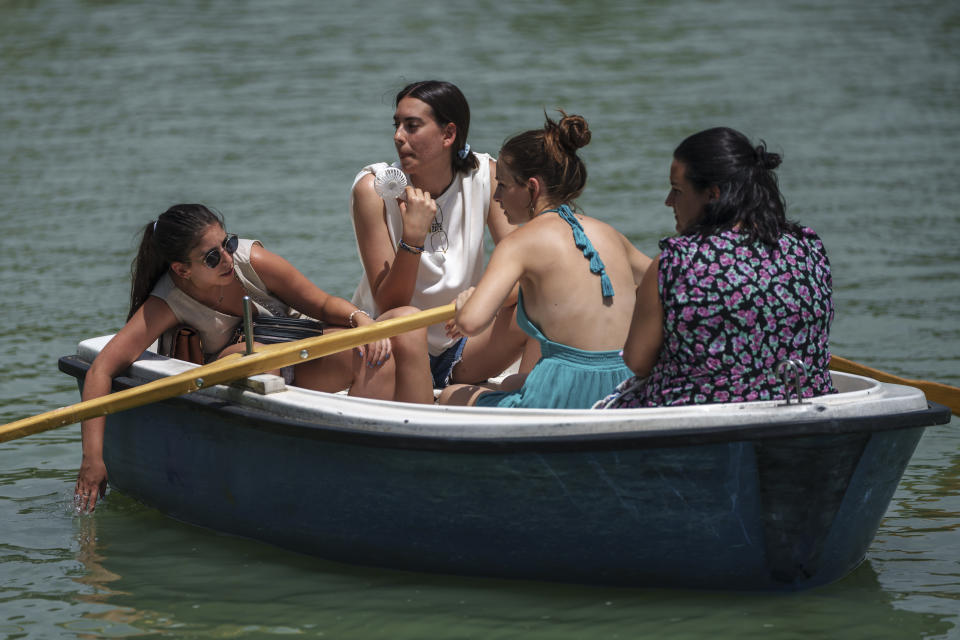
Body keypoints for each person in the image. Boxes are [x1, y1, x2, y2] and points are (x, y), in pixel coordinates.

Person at [74, 204, 432, 512]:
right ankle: (358, 477)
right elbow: (102, 369)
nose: (227, 258)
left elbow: (321, 303)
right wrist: (93, 459)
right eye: (212, 257)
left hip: (305, 352)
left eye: (226, 243)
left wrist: (361, 320)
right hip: (247, 380)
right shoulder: (167, 302)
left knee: (395, 331)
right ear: (182, 270)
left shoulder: (252, 260)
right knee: (262, 354)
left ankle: (413, 461)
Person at [598, 127, 837, 408]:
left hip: (691, 413)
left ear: (712, 194)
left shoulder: (675, 261)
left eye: (677, 190)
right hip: (802, 403)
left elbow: (637, 362)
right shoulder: (807, 246)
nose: (668, 202)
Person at [438, 112, 652, 408]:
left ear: (532, 188)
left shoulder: (519, 243)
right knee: (514, 381)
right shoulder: (609, 234)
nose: (497, 197)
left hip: (569, 392)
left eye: (503, 185)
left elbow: (472, 323)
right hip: (625, 381)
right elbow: (664, 277)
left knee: (451, 395)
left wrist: (464, 303)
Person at [350, 80, 531, 390]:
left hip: (463, 343)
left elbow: (527, 270)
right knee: (405, 319)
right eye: (397, 125)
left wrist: (481, 298)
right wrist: (413, 238)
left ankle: (532, 398)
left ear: (449, 134)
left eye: (412, 126)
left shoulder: (485, 176)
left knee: (542, 299)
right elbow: (390, 303)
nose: (398, 136)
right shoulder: (373, 189)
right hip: (394, 345)